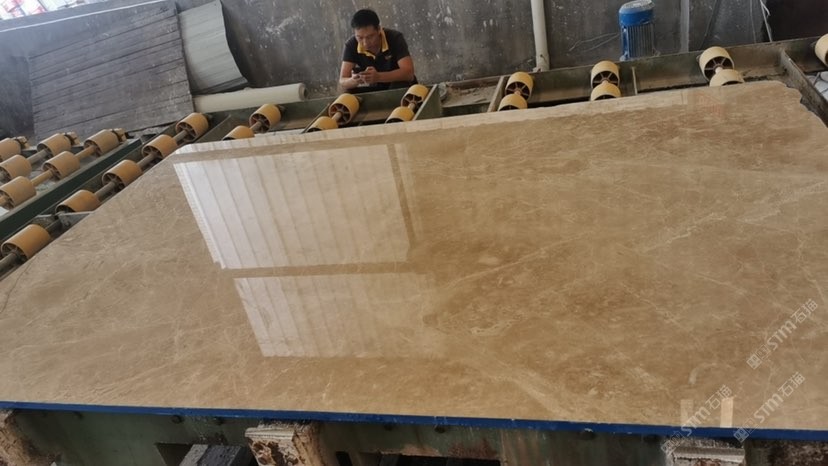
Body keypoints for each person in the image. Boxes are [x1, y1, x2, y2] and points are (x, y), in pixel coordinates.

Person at [339, 9, 416, 92]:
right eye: (360, 38)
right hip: (376, 88)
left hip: (401, 86)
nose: (365, 43)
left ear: (379, 29)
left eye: (370, 37)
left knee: (399, 87)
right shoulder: (351, 45)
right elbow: (343, 80)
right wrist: (354, 80)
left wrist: (379, 77)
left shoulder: (394, 38)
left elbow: (409, 73)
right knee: (348, 94)